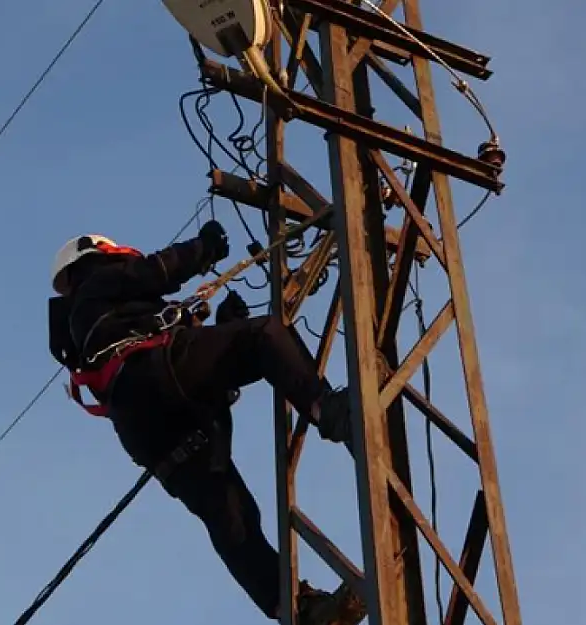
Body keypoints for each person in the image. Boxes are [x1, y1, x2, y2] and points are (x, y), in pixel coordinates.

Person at [46, 221, 366, 625]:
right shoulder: (99, 282)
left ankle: (297, 610)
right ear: (96, 257)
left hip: (145, 427)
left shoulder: (88, 326)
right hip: (154, 374)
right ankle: (334, 414)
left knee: (230, 514)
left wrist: (220, 328)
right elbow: (157, 271)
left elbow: (180, 356)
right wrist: (205, 247)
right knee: (262, 336)